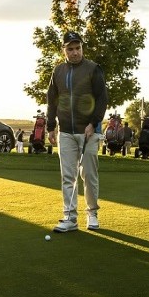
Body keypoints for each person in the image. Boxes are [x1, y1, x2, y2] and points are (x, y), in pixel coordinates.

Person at [46, 31, 108, 233]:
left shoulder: (93, 69)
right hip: (66, 132)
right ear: (63, 50)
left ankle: (92, 213)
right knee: (68, 177)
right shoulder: (58, 72)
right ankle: (70, 218)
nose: (75, 52)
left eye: (78, 48)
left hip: (89, 131)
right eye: (70, 49)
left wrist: (94, 123)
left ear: (82, 48)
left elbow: (102, 99)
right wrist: (50, 126)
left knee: (89, 175)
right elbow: (52, 100)